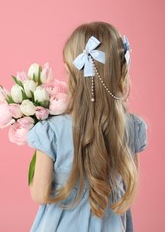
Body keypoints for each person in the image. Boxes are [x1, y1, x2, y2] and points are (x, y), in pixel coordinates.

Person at [26, 21, 148, 232]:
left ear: (72, 74)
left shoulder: (51, 131)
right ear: (120, 71)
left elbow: (40, 194)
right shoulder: (133, 127)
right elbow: (127, 184)